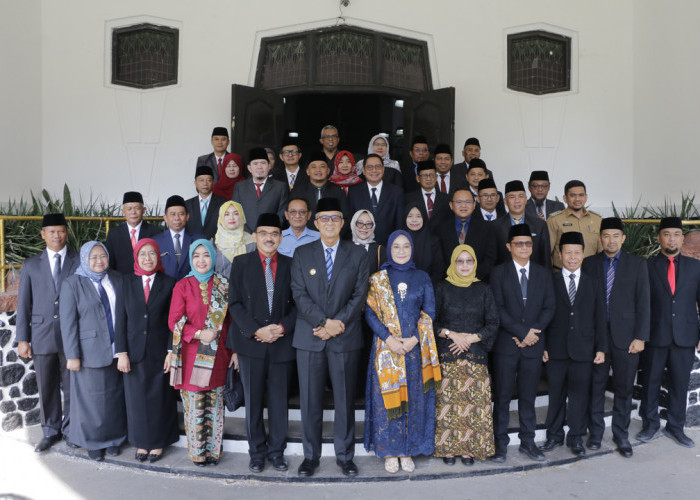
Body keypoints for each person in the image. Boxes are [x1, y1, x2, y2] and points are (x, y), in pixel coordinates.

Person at [290, 198, 369, 478]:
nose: (330, 223)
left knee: (345, 401)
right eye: (324, 218)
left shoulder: (358, 254)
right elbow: (298, 293)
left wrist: (337, 324)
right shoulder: (302, 253)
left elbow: (360, 294)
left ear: (343, 223)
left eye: (335, 218)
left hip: (344, 337)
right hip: (310, 336)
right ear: (316, 222)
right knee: (310, 401)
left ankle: (345, 456)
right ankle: (310, 457)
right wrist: (324, 323)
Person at [364, 230, 440, 474]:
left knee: (414, 401)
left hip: (414, 352)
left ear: (412, 248)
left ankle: (407, 449)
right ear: (388, 249)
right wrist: (389, 339)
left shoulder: (422, 277)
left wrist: (413, 340)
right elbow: (370, 313)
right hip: (386, 351)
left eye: (405, 246)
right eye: (395, 246)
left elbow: (429, 312)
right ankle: (389, 451)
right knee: (386, 402)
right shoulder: (378, 279)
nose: (400, 250)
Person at [228, 214, 297, 474]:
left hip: (281, 343)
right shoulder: (241, 263)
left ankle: (277, 452)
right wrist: (255, 330)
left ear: (281, 237)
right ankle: (256, 453)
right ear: (255, 235)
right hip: (251, 344)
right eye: (264, 232)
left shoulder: (291, 264)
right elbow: (234, 302)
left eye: (275, 233)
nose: (269, 238)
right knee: (254, 402)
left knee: (279, 403)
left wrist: (280, 328)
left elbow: (299, 303)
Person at [582, 217, 650, 458]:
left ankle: (621, 435)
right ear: (600, 239)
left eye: (615, 236)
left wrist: (641, 336)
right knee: (596, 388)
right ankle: (596, 434)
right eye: (606, 236)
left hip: (627, 339)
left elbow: (644, 303)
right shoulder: (588, 264)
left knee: (623, 389)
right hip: (596, 339)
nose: (610, 240)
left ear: (623, 238)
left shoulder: (637, 264)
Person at [490, 224, 555, 463]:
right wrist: (521, 332)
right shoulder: (498, 273)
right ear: (509, 247)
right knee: (503, 396)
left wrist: (531, 335)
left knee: (529, 397)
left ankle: (528, 442)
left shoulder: (543, 273)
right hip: (507, 345)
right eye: (519, 243)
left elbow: (550, 307)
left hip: (534, 345)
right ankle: (500, 444)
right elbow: (497, 308)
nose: (524, 247)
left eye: (528, 243)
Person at [168, 239, 235, 467]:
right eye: (196, 255)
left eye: (206, 255)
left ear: (213, 258)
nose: (201, 260)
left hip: (219, 355)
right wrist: (198, 333)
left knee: (215, 405)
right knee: (196, 405)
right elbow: (174, 321)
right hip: (191, 356)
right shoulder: (183, 286)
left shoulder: (224, 284)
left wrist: (234, 351)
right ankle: (198, 453)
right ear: (190, 258)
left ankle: (214, 452)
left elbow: (232, 322)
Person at [16, 213, 80, 452]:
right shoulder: (32, 264)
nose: (57, 235)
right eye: (51, 231)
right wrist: (23, 338)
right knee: (46, 385)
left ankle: (71, 430)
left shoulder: (78, 260)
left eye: (61, 230)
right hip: (41, 334)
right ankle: (50, 430)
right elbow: (24, 304)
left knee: (72, 384)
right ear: (43, 234)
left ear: (67, 232)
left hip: (70, 335)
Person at [541, 231, 607, 457]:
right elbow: (544, 316)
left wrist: (601, 348)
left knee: (579, 397)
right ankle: (554, 436)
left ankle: (576, 437)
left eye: (576, 252)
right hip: (556, 351)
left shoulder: (594, 283)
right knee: (556, 395)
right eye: (567, 252)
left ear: (583, 254)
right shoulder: (550, 281)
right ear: (559, 255)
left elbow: (600, 318)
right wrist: (543, 347)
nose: (572, 257)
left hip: (584, 350)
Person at [59, 241, 126, 461]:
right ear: (85, 259)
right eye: (93, 257)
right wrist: (72, 355)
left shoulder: (116, 278)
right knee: (91, 401)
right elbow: (68, 323)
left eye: (103, 256)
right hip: (88, 352)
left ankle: (114, 439)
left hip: (117, 348)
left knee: (114, 398)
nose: (99, 261)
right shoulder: (72, 284)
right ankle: (93, 442)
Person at [114, 238, 178, 463]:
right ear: (136, 257)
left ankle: (158, 442)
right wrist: (121, 352)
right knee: (136, 400)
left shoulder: (169, 283)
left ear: (158, 256)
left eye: (152, 253)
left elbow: (174, 321)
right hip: (132, 353)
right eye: (143, 254)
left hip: (160, 352)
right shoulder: (126, 282)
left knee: (159, 399)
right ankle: (141, 442)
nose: (147, 258)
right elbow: (120, 319)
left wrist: (172, 351)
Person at [638, 217, 700, 448]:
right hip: (655, 335)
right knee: (651, 382)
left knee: (680, 384)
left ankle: (676, 427)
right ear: (659, 238)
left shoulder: (696, 267)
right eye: (667, 234)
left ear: (682, 238)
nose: (671, 238)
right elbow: (641, 304)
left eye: (676, 234)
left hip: (685, 335)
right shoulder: (647, 266)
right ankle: (650, 424)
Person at [433, 245, 498, 465]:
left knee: (474, 405)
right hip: (448, 353)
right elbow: (432, 323)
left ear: (475, 264)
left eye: (469, 261)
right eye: (459, 261)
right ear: (453, 263)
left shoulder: (484, 289)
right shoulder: (442, 288)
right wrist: (453, 335)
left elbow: (493, 323)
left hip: (475, 353)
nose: (464, 265)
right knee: (448, 405)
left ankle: (470, 448)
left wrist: (470, 338)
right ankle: (448, 449)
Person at [436, 189, 496, 282]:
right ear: (451, 205)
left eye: (468, 202)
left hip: (478, 282)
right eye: (459, 202)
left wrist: (473, 276)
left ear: (474, 205)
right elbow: (439, 260)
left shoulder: (487, 228)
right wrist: (453, 277)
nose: (463, 206)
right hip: (449, 283)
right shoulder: (440, 229)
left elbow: (490, 258)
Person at [348, 153, 404, 246]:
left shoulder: (396, 192)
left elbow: (400, 224)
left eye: (378, 166)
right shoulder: (354, 192)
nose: (374, 170)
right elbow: (350, 222)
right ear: (364, 171)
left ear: (383, 169)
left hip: (387, 247)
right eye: (369, 167)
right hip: (361, 247)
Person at [547, 180, 603, 270]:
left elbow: (602, 252)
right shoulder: (554, 220)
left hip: (590, 274)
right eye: (573, 195)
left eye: (581, 195)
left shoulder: (597, 220)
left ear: (586, 197)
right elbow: (546, 252)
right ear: (565, 198)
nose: (577, 199)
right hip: (561, 275)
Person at [493, 180, 551, 268]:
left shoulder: (540, 225)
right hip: (505, 277)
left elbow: (546, 258)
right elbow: (493, 258)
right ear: (505, 201)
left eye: (521, 196)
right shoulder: (495, 226)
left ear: (525, 200)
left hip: (534, 277)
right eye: (512, 197)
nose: (517, 200)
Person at [232, 147, 288, 233]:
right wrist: (249, 234)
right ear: (249, 168)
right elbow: (236, 213)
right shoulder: (239, 187)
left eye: (263, 163)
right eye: (255, 163)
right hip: (245, 236)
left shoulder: (280, 187)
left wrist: (268, 232)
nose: (259, 167)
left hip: (271, 236)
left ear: (269, 166)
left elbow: (282, 214)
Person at [105, 192, 161, 274]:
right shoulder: (114, 234)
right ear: (123, 211)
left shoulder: (156, 232)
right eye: (129, 209)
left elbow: (159, 262)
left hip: (147, 282)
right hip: (122, 282)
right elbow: (110, 263)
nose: (133, 212)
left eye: (137, 208)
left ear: (143, 210)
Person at [290, 151, 350, 228]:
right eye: (314, 167)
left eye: (322, 166)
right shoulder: (297, 192)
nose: (318, 170)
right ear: (308, 171)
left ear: (328, 171)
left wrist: (333, 236)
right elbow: (291, 217)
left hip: (332, 235)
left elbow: (345, 217)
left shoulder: (338, 191)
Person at [152, 195, 204, 281]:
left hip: (192, 289)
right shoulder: (155, 241)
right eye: (172, 214)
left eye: (181, 214)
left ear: (187, 216)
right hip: (165, 291)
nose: (177, 218)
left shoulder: (199, 240)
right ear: (165, 218)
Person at [404, 160, 451, 233]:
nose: (428, 179)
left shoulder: (446, 198)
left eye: (432, 175)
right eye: (424, 175)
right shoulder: (409, 199)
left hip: (441, 241)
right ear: (418, 178)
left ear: (436, 177)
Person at [402, 202, 444, 284]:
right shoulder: (398, 240)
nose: (414, 220)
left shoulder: (434, 241)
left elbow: (439, 270)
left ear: (424, 218)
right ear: (404, 218)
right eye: (410, 216)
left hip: (428, 287)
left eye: (418, 216)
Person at [212, 201, 256, 277]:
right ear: (221, 218)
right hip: (222, 288)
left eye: (236, 213)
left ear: (242, 216)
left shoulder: (252, 242)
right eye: (226, 214)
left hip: (248, 287)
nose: (231, 218)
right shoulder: (214, 243)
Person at [185, 166, 227, 240]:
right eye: (201, 180)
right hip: (193, 246)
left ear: (213, 182)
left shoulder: (223, 203)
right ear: (195, 183)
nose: (205, 183)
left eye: (209, 180)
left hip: (216, 246)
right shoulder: (187, 204)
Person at [350, 209, 384, 276]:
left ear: (373, 226)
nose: (364, 227)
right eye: (360, 223)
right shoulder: (344, 249)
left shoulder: (380, 250)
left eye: (368, 224)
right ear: (353, 224)